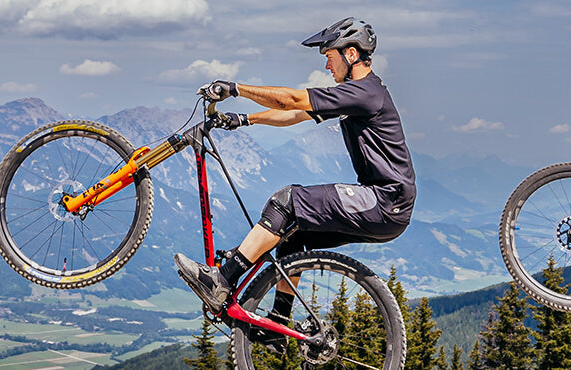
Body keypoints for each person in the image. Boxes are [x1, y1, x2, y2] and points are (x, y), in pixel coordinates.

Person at [172, 17, 414, 347]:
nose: (327, 63)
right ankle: (277, 325)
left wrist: (236, 89)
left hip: (385, 201)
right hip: (388, 205)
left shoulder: (365, 92)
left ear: (352, 54)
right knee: (291, 232)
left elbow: (291, 101)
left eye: (330, 55)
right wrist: (243, 119)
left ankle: (222, 280)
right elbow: (295, 115)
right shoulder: (356, 94)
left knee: (287, 200)